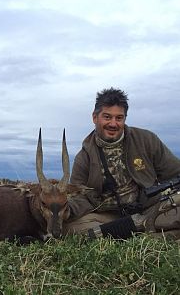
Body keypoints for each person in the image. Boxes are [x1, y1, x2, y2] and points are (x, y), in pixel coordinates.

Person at [64, 87, 180, 239]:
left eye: (119, 118)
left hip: (150, 208)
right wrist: (66, 210)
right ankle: (150, 234)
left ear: (125, 119)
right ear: (94, 117)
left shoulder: (147, 139)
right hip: (107, 216)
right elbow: (79, 197)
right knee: (68, 228)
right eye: (107, 117)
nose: (113, 124)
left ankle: (126, 233)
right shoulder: (83, 157)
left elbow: (174, 173)